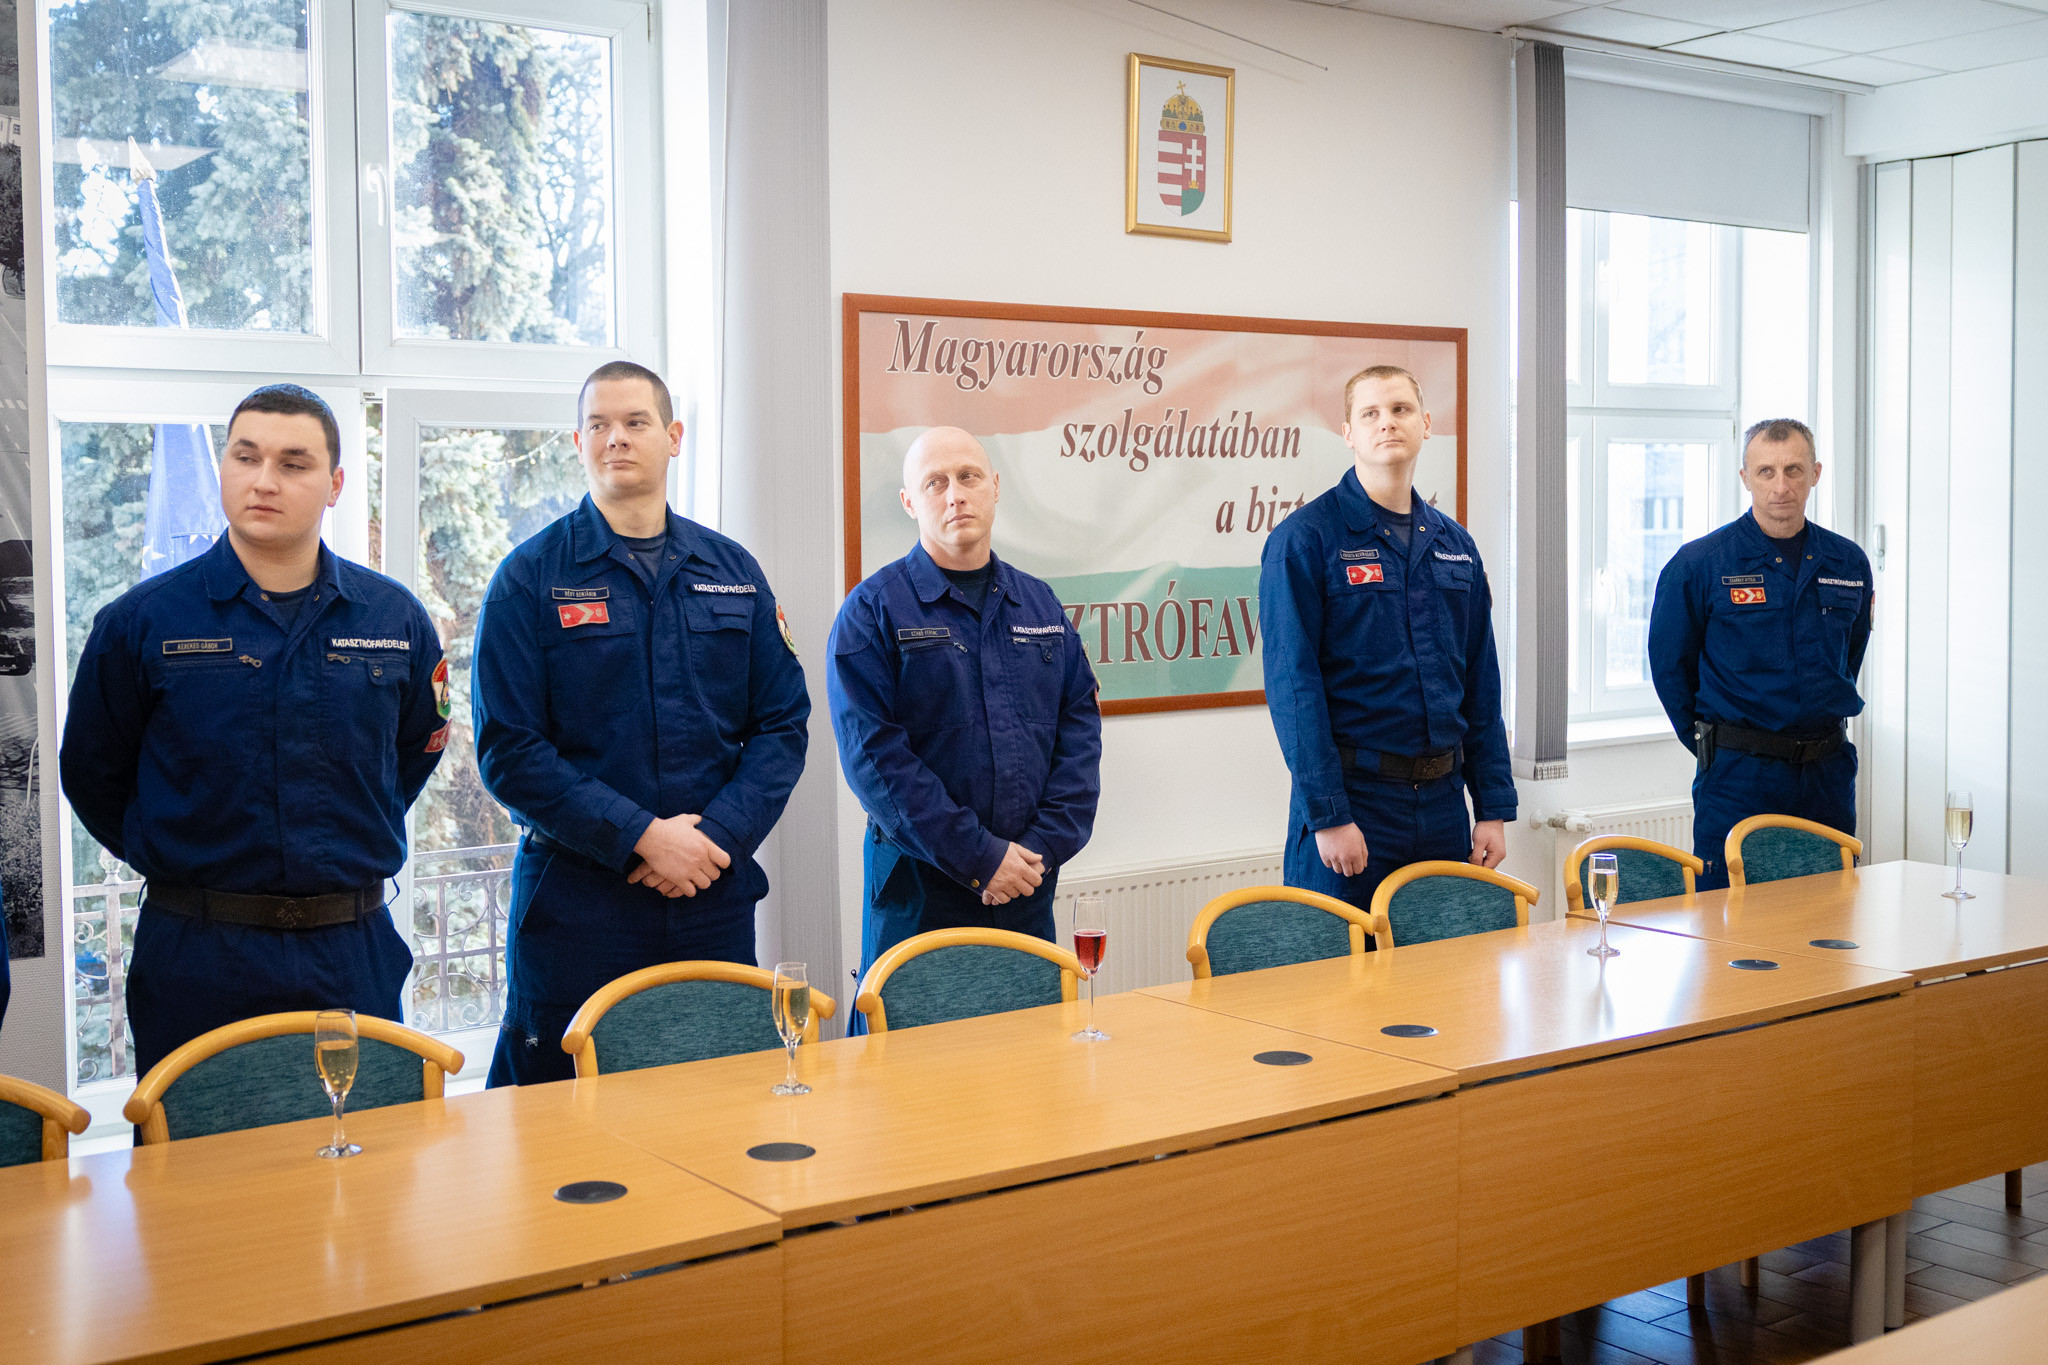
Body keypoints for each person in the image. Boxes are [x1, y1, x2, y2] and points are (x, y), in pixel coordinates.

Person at [60, 385, 444, 1077]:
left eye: (293, 464)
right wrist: (183, 852)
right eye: (246, 457)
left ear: (334, 485)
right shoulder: (142, 622)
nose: (265, 480)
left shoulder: (394, 619)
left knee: (357, 1140)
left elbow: (414, 753)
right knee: (196, 1146)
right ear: (225, 468)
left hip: (350, 950)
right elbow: (92, 772)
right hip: (199, 952)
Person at [472, 361, 809, 1086]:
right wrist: (644, 838)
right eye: (598, 425)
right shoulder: (528, 579)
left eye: (635, 422)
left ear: (674, 437)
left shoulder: (733, 571)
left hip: (711, 898)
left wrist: (713, 840)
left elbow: (783, 725)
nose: (616, 438)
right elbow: (509, 751)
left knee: (718, 1103)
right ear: (578, 442)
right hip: (577, 911)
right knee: (562, 1122)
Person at [828, 427, 1102, 991]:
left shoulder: (1040, 604)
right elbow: (875, 760)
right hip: (922, 896)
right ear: (909, 502)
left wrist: (1036, 852)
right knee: (915, 1046)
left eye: (968, 476)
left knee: (1030, 1042)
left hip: (1026, 887)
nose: (955, 495)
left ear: (995, 486)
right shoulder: (872, 611)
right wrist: (981, 859)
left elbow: (1079, 734)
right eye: (935, 483)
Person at [1259, 365, 1517, 917]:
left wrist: (1492, 807)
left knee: (1444, 964)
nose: (1387, 423)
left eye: (1401, 410)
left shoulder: (1455, 545)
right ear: (1348, 433)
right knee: (1343, 967)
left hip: (1444, 807)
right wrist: (1329, 816)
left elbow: (1481, 684)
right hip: (1356, 803)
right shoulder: (1305, 541)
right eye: (1370, 413)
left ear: (1426, 423)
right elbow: (1293, 688)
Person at [1648, 418, 1871, 890]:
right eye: (1766, 471)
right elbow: (1671, 670)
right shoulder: (1700, 564)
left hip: (1826, 774)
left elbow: (1848, 656)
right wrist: (1715, 744)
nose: (1781, 486)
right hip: (1740, 776)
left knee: (1830, 909)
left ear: (1815, 474)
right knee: (1729, 914)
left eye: (1794, 470)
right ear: (1745, 478)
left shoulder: (1848, 562)